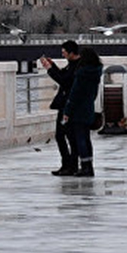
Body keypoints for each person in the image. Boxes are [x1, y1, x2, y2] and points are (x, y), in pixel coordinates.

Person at [40, 40, 80, 176]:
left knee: (66, 136)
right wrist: (53, 66)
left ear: (71, 53)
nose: (63, 55)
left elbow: (64, 81)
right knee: (64, 136)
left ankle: (70, 165)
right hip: (65, 105)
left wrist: (49, 70)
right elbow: (64, 75)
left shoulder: (76, 67)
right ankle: (69, 165)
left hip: (69, 106)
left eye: (64, 53)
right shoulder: (72, 66)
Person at [61, 47, 103, 177]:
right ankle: (89, 165)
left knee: (80, 139)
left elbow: (75, 93)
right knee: (86, 138)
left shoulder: (82, 73)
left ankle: (85, 167)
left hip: (78, 110)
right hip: (88, 108)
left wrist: (67, 111)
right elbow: (94, 93)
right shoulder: (96, 73)